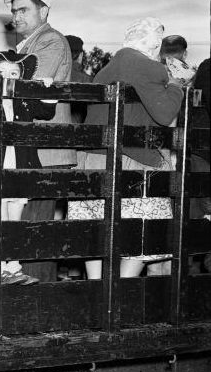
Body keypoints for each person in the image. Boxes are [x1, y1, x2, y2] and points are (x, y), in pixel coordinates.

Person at [67, 18, 186, 279]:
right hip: (130, 159)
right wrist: (177, 84)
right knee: (145, 228)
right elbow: (165, 114)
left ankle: (97, 288)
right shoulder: (147, 66)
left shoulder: (108, 67)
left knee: (96, 228)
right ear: (154, 46)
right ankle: (122, 287)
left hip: (93, 158)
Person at [5, 0, 71, 282]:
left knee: (34, 232)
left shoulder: (50, 41)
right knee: (24, 229)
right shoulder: (28, 45)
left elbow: (27, 84)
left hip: (46, 149)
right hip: (31, 148)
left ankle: (38, 305)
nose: (16, 16)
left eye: (23, 10)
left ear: (43, 11)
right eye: (14, 10)